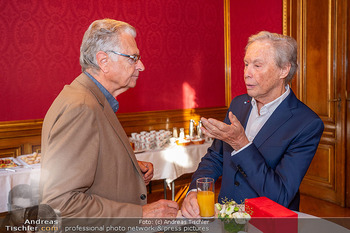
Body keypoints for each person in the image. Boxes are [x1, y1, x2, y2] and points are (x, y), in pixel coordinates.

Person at [39, 19, 178, 218]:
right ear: (103, 61)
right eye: (133, 58)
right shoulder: (82, 107)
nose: (141, 66)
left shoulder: (91, 99)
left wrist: (127, 166)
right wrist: (141, 214)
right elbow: (61, 204)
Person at [181, 31, 324, 217]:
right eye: (246, 64)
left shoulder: (306, 123)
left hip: (268, 223)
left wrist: (241, 143)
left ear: (284, 70)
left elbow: (280, 195)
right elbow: (215, 157)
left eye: (257, 65)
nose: (247, 73)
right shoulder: (238, 104)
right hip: (227, 217)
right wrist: (195, 190)